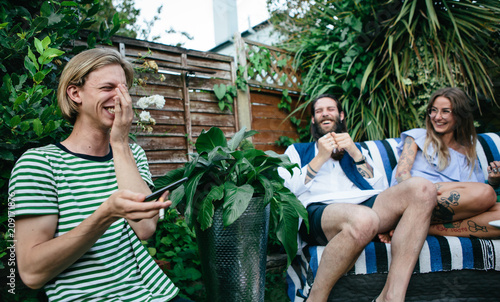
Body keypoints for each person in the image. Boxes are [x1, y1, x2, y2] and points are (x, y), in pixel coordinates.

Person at [9, 48, 192, 301]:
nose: (120, 98)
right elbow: (32, 273)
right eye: (108, 87)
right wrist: (106, 214)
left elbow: (146, 227)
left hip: (157, 294)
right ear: (75, 93)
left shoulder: (132, 153)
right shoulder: (40, 164)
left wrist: (119, 143)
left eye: (124, 88)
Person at [278, 94, 437, 302]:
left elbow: (380, 189)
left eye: (331, 109)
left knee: (423, 188)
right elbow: (287, 189)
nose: (325, 113)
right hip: (318, 211)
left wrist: (355, 153)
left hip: (364, 204)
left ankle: (391, 296)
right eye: (319, 111)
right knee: (365, 219)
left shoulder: (357, 150)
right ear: (313, 120)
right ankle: (316, 298)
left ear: (341, 115)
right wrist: (320, 158)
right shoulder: (297, 151)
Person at [388, 87, 500, 239]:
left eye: (445, 111)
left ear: (460, 115)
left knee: (490, 199)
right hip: (413, 198)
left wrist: (493, 181)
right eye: (433, 110)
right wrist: (424, 194)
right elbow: (401, 174)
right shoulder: (418, 137)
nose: (437, 117)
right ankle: (405, 220)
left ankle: (426, 229)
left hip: (450, 208)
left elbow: (473, 196)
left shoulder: (468, 149)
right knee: (485, 193)